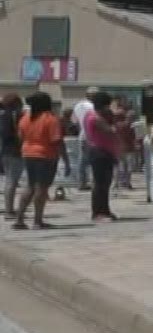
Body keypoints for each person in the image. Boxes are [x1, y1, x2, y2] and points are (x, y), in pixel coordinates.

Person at [16, 92, 62, 230]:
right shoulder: (50, 119)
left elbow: (20, 137)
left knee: (30, 186)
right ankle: (37, 221)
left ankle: (19, 219)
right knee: (41, 188)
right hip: (45, 155)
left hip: (28, 153)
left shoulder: (25, 118)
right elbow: (56, 140)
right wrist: (59, 157)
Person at [81, 90, 121, 222]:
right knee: (100, 183)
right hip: (99, 151)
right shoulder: (95, 117)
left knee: (106, 183)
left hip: (105, 151)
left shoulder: (92, 115)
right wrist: (116, 121)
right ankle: (98, 212)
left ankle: (105, 210)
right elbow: (111, 131)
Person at [0, 92, 22, 220]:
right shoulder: (11, 116)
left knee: (10, 181)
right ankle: (9, 210)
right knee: (11, 181)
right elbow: (9, 134)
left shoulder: (4, 115)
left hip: (6, 151)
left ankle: (10, 209)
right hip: (13, 151)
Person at [71, 89, 97, 191]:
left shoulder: (77, 106)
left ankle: (82, 182)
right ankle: (94, 182)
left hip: (82, 136)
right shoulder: (92, 107)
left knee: (82, 161)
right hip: (93, 137)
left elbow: (74, 121)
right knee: (94, 161)